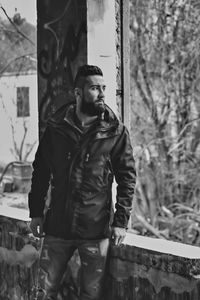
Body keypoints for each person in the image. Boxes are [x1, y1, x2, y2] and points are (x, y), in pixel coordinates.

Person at [29, 65, 136, 300]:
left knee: (90, 295)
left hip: (95, 230)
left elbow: (127, 178)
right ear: (78, 92)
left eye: (103, 88)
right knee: (42, 292)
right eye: (94, 88)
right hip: (57, 227)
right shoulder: (56, 128)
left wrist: (121, 221)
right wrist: (35, 212)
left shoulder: (115, 132)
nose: (101, 93)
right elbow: (41, 172)